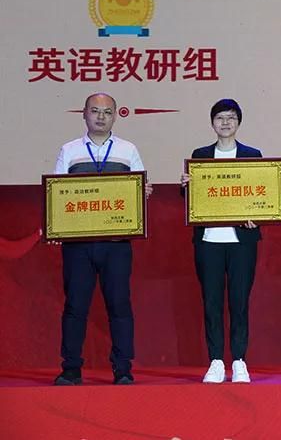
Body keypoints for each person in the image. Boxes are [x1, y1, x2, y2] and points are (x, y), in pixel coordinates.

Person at [53, 93, 152, 386]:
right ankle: (71, 368)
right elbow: (56, 192)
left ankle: (123, 369)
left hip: (116, 244)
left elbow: (139, 188)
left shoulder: (128, 150)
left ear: (115, 116)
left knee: (119, 305)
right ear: (84, 114)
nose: (100, 117)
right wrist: (56, 226)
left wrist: (143, 192)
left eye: (107, 112)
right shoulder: (69, 150)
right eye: (95, 111)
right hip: (78, 244)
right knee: (75, 306)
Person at [180, 99, 262, 383]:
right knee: (212, 302)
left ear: (238, 122)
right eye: (220, 118)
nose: (225, 123)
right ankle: (215, 360)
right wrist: (187, 186)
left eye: (231, 118)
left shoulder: (252, 155)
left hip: (242, 241)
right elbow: (193, 200)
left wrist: (257, 217)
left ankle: (239, 360)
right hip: (209, 240)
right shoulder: (200, 155)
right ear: (212, 123)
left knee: (239, 302)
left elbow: (262, 195)